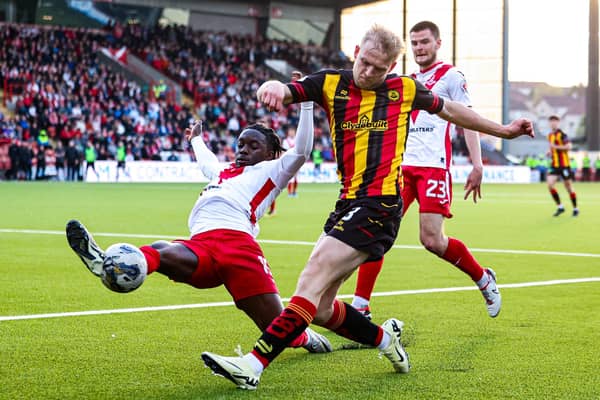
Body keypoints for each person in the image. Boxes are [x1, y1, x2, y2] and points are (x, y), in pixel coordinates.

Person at [201, 24, 534, 390]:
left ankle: (253, 364)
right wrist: (274, 87)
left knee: (311, 277)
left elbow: (451, 110)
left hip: (381, 206)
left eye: (380, 68)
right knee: (324, 309)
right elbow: (290, 90)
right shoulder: (330, 83)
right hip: (347, 203)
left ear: (391, 67)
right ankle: (385, 340)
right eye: (365, 62)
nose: (369, 72)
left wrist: (504, 131)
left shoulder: (404, 89)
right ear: (356, 51)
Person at [66, 100, 332, 356]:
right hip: (200, 245)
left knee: (277, 331)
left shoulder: (272, 170)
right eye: (240, 144)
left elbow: (301, 151)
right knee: (162, 250)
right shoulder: (223, 172)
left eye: (253, 146)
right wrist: (195, 139)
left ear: (271, 154)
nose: (244, 150)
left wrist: (306, 105)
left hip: (238, 247)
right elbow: (206, 161)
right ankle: (110, 266)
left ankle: (306, 338)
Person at [351, 21, 499, 321]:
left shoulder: (452, 76)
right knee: (375, 233)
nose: (419, 48)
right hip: (400, 169)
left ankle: (483, 278)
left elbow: (468, 119)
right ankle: (360, 306)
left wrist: (477, 163)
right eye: (414, 43)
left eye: (424, 42)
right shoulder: (406, 81)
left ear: (438, 43)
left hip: (433, 168)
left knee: (432, 241)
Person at [546, 115, 578, 217]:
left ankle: (575, 208)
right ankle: (560, 207)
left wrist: (555, 147)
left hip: (564, 165)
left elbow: (569, 147)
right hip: (554, 165)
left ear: (558, 122)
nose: (553, 123)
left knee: (568, 187)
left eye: (555, 121)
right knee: (550, 185)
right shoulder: (550, 135)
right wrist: (549, 152)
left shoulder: (563, 134)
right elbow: (552, 148)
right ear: (549, 123)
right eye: (551, 121)